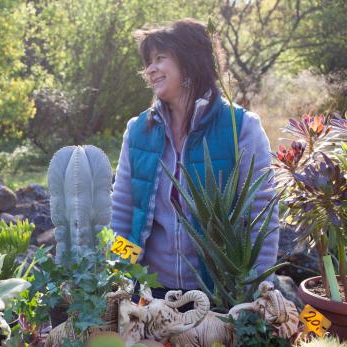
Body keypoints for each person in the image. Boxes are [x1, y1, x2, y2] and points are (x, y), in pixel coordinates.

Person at [111, 19, 279, 297]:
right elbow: (123, 212)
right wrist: (121, 273)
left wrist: (253, 289)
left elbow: (262, 214)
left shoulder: (241, 127)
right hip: (151, 294)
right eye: (148, 61)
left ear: (190, 62)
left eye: (160, 58)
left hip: (220, 295)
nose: (150, 69)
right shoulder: (138, 130)